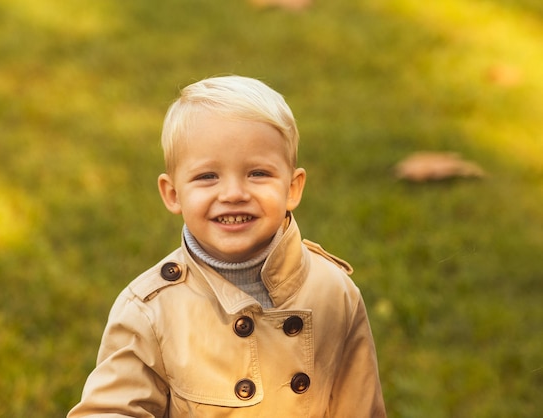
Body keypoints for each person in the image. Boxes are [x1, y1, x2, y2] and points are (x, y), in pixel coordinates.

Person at [68, 75, 386, 417]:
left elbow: (360, 407)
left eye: (258, 173)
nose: (234, 194)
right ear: (173, 194)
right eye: (207, 176)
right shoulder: (150, 310)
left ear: (292, 188)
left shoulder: (333, 292)